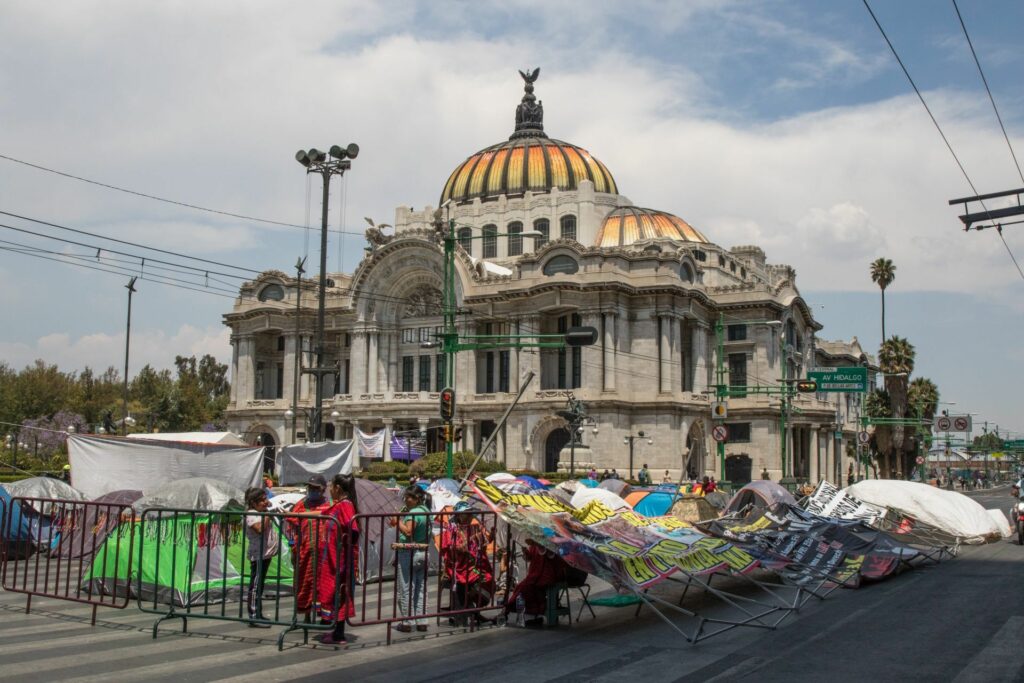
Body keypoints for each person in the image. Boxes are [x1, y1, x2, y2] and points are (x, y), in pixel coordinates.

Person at [316, 474, 359, 645]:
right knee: (335, 594)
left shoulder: (346, 506)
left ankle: (338, 633)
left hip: (339, 560)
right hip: (333, 558)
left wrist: (344, 549)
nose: (329, 490)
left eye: (331, 486)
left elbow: (353, 528)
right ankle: (336, 631)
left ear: (338, 488)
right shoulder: (339, 505)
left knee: (340, 593)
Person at [285, 474, 333, 623]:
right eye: (310, 487)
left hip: (325, 556)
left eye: (316, 488)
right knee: (305, 584)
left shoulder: (330, 505)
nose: (312, 490)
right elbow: (291, 529)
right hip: (305, 554)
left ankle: (325, 617)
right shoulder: (301, 506)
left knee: (324, 586)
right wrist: (293, 548)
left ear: (323, 489)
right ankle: (306, 616)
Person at [441, 501, 494, 626]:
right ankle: (467, 614)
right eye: (466, 513)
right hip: (459, 566)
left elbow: (485, 541)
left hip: (475, 566)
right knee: (462, 588)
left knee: (487, 581)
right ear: (459, 516)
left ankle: (473, 611)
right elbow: (453, 547)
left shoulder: (475, 527)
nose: (470, 516)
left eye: (470, 513)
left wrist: (491, 534)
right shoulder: (451, 529)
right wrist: (466, 545)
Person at [389, 485, 430, 632]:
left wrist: (397, 519)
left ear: (416, 498)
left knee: (405, 588)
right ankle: (422, 621)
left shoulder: (413, 513)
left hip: (409, 552)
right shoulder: (426, 510)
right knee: (420, 588)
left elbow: (407, 531)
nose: (405, 500)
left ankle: (406, 622)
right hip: (423, 552)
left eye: (408, 497)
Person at [504, 539, 567, 628]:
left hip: (548, 574)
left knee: (525, 588)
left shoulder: (552, 541)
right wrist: (526, 552)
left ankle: (532, 616)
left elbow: (552, 556)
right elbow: (530, 558)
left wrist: (538, 544)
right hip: (535, 574)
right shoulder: (533, 544)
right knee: (521, 587)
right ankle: (528, 616)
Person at [244, 487, 280, 628]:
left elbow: (270, 505)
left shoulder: (261, 511)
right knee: (255, 586)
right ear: (253, 503)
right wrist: (266, 514)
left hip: (265, 554)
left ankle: (258, 613)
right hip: (258, 555)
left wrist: (266, 507)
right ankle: (253, 615)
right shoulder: (251, 514)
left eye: (265, 499)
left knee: (260, 585)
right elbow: (259, 529)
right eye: (262, 500)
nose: (266, 502)